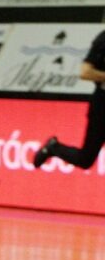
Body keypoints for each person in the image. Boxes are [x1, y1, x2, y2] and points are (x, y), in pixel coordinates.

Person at [34, 30, 105, 170]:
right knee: (85, 160)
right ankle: (53, 148)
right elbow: (85, 72)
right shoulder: (103, 39)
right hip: (102, 104)